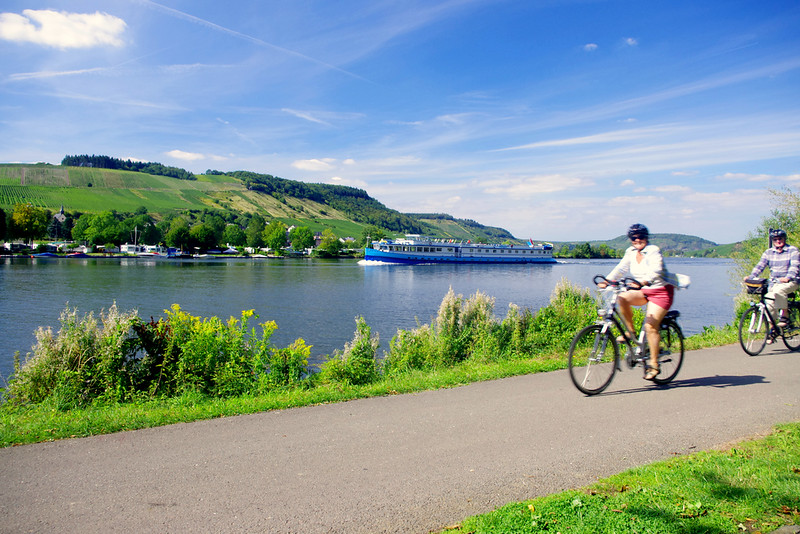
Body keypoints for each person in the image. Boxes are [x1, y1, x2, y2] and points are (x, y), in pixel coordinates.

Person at [599, 223, 675, 380]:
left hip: (661, 291)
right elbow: (621, 269)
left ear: (646, 238)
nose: (637, 240)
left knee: (650, 326)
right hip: (643, 290)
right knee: (622, 297)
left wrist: (644, 281)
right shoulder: (630, 252)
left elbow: (657, 270)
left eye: (641, 237)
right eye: (634, 238)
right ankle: (630, 332)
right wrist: (607, 281)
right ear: (630, 239)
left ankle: (654, 365)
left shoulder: (653, 251)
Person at [747, 229, 800, 336]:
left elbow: (795, 266)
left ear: (784, 239)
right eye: (775, 239)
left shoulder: (793, 250)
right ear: (772, 241)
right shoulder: (768, 252)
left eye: (780, 239)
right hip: (774, 282)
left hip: (791, 282)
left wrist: (788, 277)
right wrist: (751, 277)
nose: (778, 241)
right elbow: (760, 266)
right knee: (768, 301)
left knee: (778, 290)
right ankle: (773, 328)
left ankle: (785, 315)